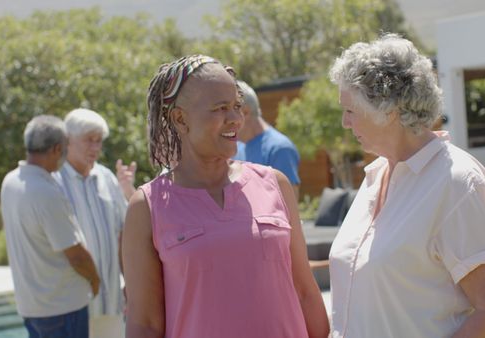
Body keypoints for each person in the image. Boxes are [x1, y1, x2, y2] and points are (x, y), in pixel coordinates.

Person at [121, 55, 329, 338]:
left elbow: (305, 291)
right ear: (180, 119)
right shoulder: (147, 207)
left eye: (236, 107)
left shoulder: (274, 184)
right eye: (220, 108)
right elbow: (145, 323)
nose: (235, 119)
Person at [327, 34, 485, 337]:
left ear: (388, 110)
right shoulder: (375, 177)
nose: (345, 123)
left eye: (350, 111)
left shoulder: (458, 183)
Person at [1, 115, 100, 338]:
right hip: (62, 309)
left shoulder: (10, 182)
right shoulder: (46, 193)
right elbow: (76, 255)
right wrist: (95, 281)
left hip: (31, 307)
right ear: (57, 149)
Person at [53, 108, 135, 338]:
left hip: (111, 302)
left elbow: (122, 235)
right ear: (68, 140)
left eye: (99, 141)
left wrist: (130, 281)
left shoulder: (106, 178)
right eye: (89, 140)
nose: (96, 147)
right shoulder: (54, 182)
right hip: (74, 306)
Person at [233, 80, 301, 196]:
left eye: (230, 110)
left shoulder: (279, 149)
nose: (226, 120)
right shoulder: (237, 147)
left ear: (245, 112)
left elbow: (288, 208)